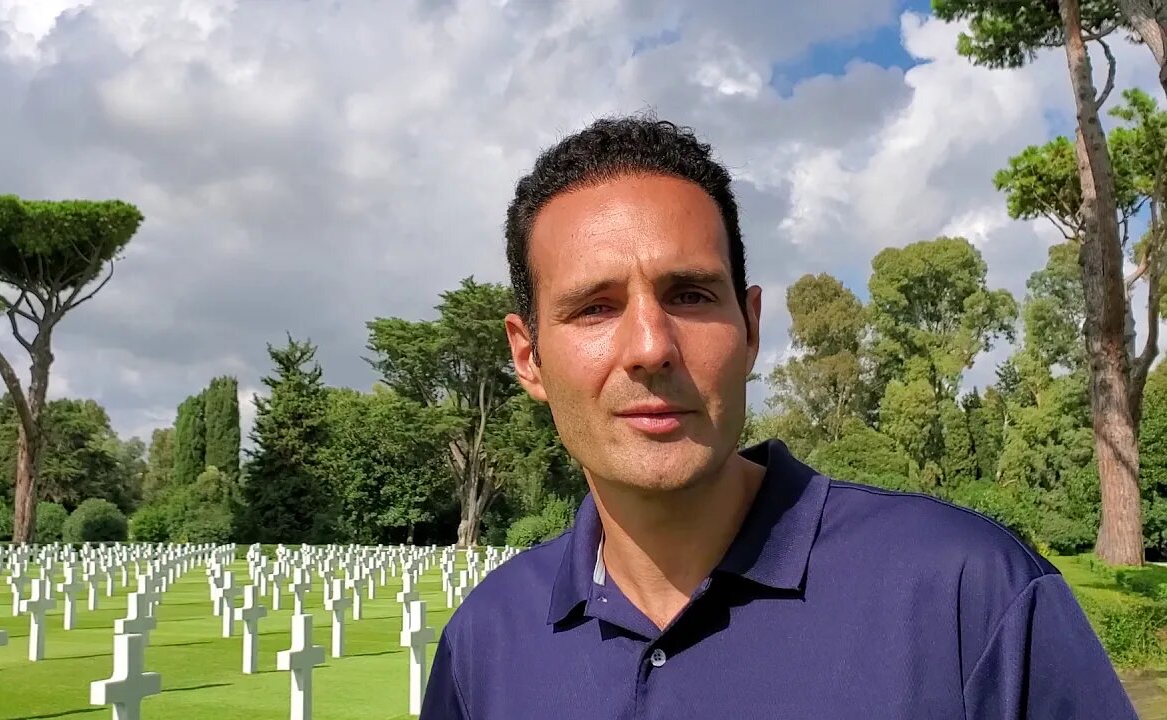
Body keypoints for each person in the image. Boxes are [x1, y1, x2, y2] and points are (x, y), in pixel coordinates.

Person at [419, 115, 1137, 719]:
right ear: (529, 357)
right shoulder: (485, 644)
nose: (649, 347)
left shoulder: (967, 596)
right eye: (595, 308)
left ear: (751, 326)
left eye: (691, 295)